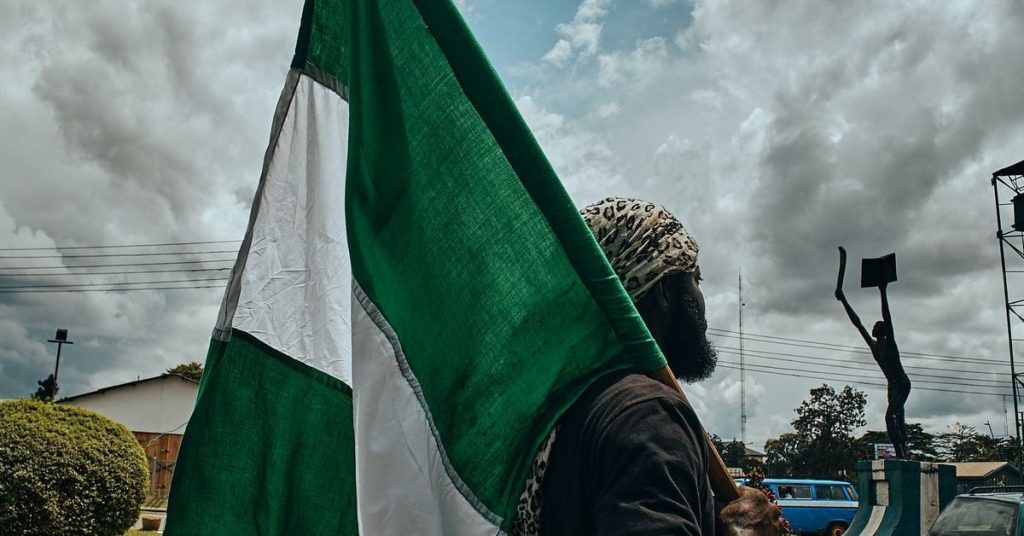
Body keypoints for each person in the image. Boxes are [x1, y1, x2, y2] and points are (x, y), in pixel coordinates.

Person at [512, 198, 784, 536]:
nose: (702, 300)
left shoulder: (559, 409)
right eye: (696, 278)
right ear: (664, 290)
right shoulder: (648, 415)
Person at [835, 248, 911, 459]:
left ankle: (901, 452)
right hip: (892, 385)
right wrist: (844, 300)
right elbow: (857, 323)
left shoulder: (890, 343)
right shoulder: (874, 346)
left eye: (878, 325)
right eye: (875, 325)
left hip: (902, 383)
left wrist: (882, 291)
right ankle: (903, 451)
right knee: (898, 419)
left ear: (884, 330)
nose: (874, 327)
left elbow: (887, 315)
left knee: (890, 417)